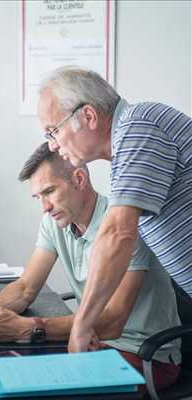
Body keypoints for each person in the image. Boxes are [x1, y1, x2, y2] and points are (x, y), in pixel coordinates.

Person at [0, 143, 181, 390]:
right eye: (38, 197)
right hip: (89, 342)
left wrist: (29, 328)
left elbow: (113, 320)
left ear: (79, 179)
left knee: (37, 387)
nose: (45, 207)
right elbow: (26, 288)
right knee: (4, 375)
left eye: (50, 191)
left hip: (145, 355)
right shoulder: (54, 222)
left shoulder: (123, 226)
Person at [37, 66, 192, 352]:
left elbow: (118, 232)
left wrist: (82, 325)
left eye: (53, 131)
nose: (52, 144)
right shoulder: (126, 148)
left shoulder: (139, 126)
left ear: (88, 116)